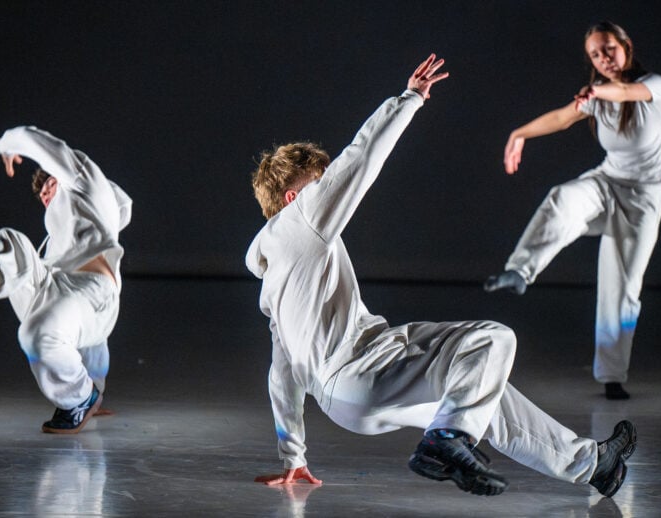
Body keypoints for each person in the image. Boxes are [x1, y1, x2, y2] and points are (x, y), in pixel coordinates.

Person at [246, 54, 636, 497]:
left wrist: (293, 456)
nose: (326, 188)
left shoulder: (274, 280)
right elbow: (360, 159)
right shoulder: (302, 218)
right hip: (365, 371)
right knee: (491, 340)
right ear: (293, 197)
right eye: (319, 182)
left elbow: (282, 373)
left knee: (479, 391)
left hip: (348, 403)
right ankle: (446, 441)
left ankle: (594, 465)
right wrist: (409, 98)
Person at [484, 21, 661, 400]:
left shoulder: (654, 85)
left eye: (609, 49)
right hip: (607, 182)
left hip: (644, 199)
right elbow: (561, 118)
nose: (604, 59)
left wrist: (598, 91)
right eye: (596, 55)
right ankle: (520, 270)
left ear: (626, 46)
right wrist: (518, 134)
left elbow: (626, 91)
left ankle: (612, 376)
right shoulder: (597, 96)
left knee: (622, 290)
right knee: (563, 199)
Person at [0, 126, 132, 433]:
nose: (46, 194)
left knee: (35, 334)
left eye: (50, 184)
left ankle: (80, 398)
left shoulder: (89, 187)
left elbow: (52, 148)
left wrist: (10, 143)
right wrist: (97, 382)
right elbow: (93, 345)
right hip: (60, 287)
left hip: (93, 291)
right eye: (42, 195)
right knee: (13, 241)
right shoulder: (56, 239)